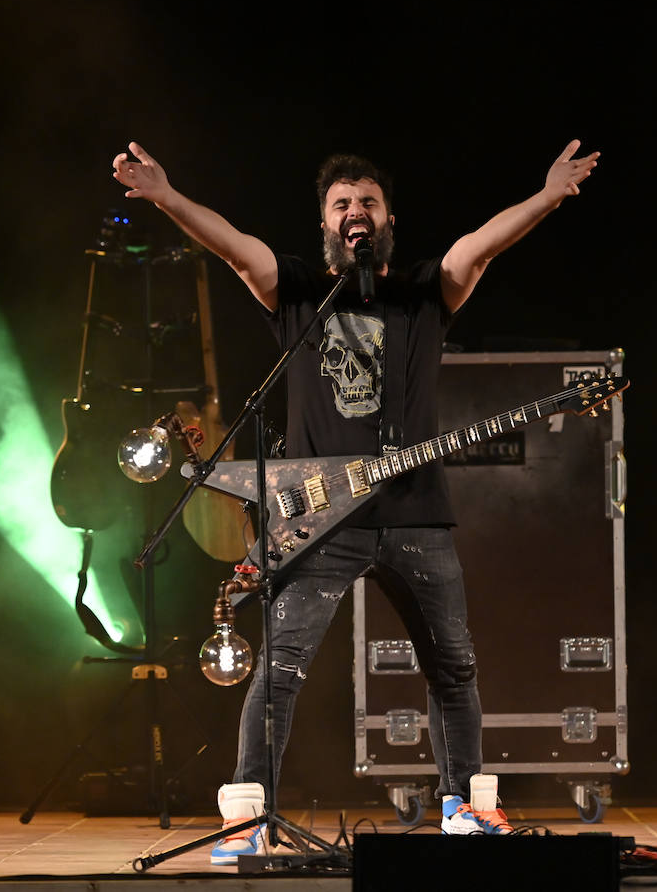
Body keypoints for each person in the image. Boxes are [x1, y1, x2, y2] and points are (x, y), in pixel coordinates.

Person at [112, 138, 599, 863]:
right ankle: (250, 815)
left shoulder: (423, 294)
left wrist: (549, 195)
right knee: (279, 664)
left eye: (367, 202)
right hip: (320, 517)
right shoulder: (303, 292)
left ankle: (463, 805)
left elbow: (478, 249)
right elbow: (238, 251)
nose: (355, 212)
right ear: (325, 225)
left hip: (416, 515)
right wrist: (166, 196)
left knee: (453, 667)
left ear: (388, 217)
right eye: (341, 204)